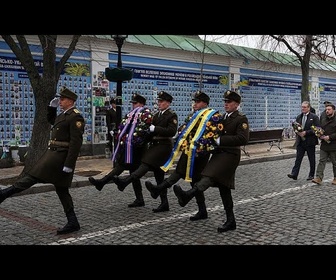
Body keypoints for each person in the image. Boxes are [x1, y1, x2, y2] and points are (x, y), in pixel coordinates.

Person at [0, 87, 85, 235]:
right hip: (53, 155)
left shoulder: (75, 117)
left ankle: (5, 193)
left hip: (60, 158)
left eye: (63, 99)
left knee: (35, 176)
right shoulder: (64, 115)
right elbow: (52, 121)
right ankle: (73, 222)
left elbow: (76, 143)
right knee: (61, 189)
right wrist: (51, 108)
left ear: (71, 101)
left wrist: (69, 164)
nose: (60, 102)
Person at [173, 90, 249, 233]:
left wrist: (220, 140)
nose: (226, 104)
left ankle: (188, 195)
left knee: (209, 175)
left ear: (237, 104)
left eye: (229, 102)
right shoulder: (221, 117)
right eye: (225, 102)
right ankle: (230, 220)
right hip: (219, 154)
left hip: (230, 154)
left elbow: (243, 139)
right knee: (224, 188)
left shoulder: (241, 119)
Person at [145, 91, 216, 221]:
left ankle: (159, 189)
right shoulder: (193, 115)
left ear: (205, 103)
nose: (195, 104)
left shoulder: (211, 116)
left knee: (193, 179)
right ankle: (201, 210)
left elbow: (212, 134)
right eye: (194, 101)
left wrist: (200, 146)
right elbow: (185, 129)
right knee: (180, 172)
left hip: (200, 153)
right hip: (189, 151)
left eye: (198, 102)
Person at [112, 91, 178, 213]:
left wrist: (156, 128)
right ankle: (164, 203)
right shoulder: (156, 115)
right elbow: (148, 131)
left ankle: (125, 181)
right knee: (159, 175)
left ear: (168, 103)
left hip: (164, 146)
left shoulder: (171, 115)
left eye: (162, 101)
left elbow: (172, 131)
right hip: (154, 145)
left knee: (145, 163)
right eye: (158, 101)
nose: (159, 103)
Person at [88, 93, 151, 207]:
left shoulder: (146, 113)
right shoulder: (131, 114)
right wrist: (120, 134)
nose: (133, 105)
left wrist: (134, 139)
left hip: (138, 148)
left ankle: (103, 182)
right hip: (128, 147)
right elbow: (124, 126)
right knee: (127, 169)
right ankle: (139, 198)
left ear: (141, 104)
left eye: (135, 103)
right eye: (132, 103)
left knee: (127, 169)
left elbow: (145, 130)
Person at [287, 101, 320, 181]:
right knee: (298, 158)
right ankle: (294, 174)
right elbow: (296, 127)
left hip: (310, 141)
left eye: (305, 107)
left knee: (311, 159)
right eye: (302, 107)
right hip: (301, 142)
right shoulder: (299, 117)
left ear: (308, 108)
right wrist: (298, 132)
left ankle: (311, 175)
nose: (303, 109)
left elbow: (317, 129)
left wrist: (306, 132)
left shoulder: (314, 117)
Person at [312, 103, 336, 185]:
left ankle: (335, 178)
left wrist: (330, 137)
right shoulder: (323, 118)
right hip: (324, 144)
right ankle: (318, 177)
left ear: (333, 110)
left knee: (335, 162)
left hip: (334, 144)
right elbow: (320, 128)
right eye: (326, 109)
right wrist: (319, 133)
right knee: (321, 161)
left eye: (329, 109)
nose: (327, 111)